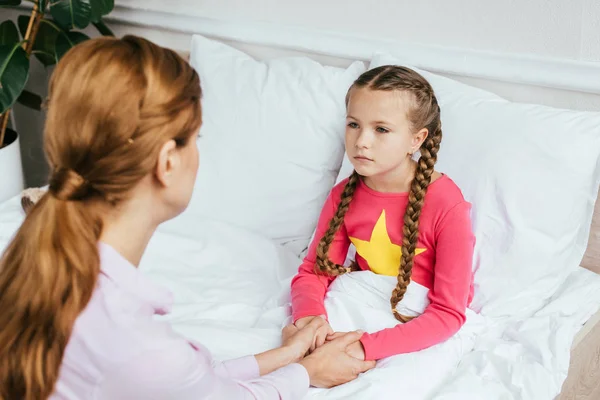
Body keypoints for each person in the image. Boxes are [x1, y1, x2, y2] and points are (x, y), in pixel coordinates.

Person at [0, 35, 375, 400]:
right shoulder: (137, 343)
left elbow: (188, 382)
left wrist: (288, 357)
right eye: (196, 138)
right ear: (167, 162)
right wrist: (308, 373)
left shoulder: (31, 258)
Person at [291, 65, 476, 361]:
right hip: (361, 302)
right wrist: (310, 319)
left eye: (381, 129)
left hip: (416, 323)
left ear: (416, 140)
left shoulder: (446, 205)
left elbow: (448, 313)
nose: (361, 141)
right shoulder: (344, 195)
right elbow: (315, 271)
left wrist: (366, 347)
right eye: (353, 124)